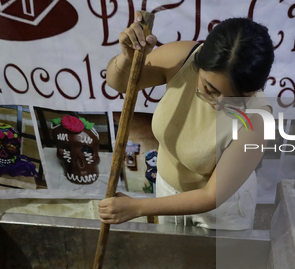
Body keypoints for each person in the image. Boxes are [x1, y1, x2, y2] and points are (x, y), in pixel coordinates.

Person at [98, 12, 274, 230]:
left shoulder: (257, 120)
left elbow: (211, 195)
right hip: (166, 191)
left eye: (235, 99)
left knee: (209, 264)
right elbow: (121, 83)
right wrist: (127, 57)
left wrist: (138, 207)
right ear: (197, 64)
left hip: (219, 210)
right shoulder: (182, 58)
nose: (219, 105)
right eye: (210, 89)